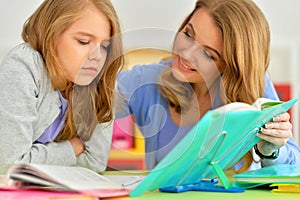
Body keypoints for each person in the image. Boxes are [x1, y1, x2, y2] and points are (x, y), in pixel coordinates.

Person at [116, 0, 300, 172]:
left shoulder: (254, 89)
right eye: (188, 35)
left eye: (207, 54)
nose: (186, 54)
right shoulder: (149, 80)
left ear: (231, 65)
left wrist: (270, 150)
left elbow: (294, 166)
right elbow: (93, 103)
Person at [0, 0, 123, 174]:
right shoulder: (23, 65)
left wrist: (32, 159)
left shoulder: (98, 79)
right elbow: (11, 164)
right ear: (51, 34)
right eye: (83, 41)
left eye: (104, 46)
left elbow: (95, 161)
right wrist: (72, 148)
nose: (97, 56)